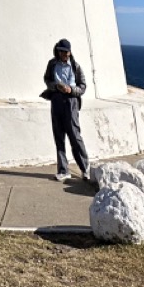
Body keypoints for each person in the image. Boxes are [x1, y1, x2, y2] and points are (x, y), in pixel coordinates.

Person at [42, 38, 91, 182]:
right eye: (62, 51)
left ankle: (85, 168)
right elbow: (47, 79)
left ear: (70, 52)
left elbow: (82, 86)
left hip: (71, 101)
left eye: (67, 52)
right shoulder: (52, 64)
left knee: (75, 135)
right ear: (58, 51)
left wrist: (71, 89)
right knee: (59, 136)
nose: (65, 54)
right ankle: (63, 170)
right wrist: (55, 87)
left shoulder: (75, 67)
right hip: (56, 99)